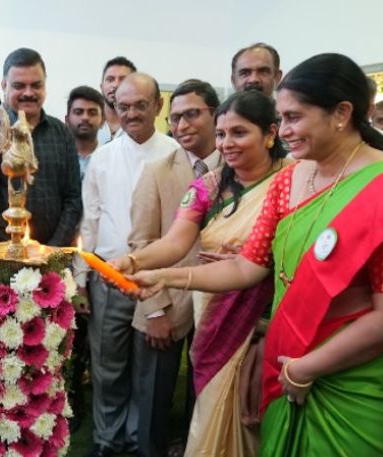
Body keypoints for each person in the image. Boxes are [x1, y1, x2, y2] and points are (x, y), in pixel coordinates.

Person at [126, 53, 383, 457]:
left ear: (342, 113)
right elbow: (245, 266)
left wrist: (309, 368)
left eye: (294, 118)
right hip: (288, 362)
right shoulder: (290, 178)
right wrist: (165, 277)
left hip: (355, 380)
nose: (284, 131)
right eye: (282, 118)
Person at [114, 89, 289, 457]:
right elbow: (175, 243)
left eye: (239, 133)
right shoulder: (207, 186)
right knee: (212, 405)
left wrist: (256, 252)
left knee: (259, 414)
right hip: (214, 311)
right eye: (223, 134)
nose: (227, 144)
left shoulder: (294, 182)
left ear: (270, 133)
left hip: (269, 318)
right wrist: (136, 262)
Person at [79, 72, 180, 457]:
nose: (132, 113)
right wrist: (80, 277)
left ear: (158, 106)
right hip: (107, 276)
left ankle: (140, 442)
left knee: (149, 371)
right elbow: (90, 219)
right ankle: (108, 440)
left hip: (158, 279)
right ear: (114, 109)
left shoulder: (176, 155)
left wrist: (166, 297)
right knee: (107, 368)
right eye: (123, 106)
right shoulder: (103, 157)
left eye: (141, 105)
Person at [126, 79, 224, 457]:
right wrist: (155, 310)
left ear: (215, 115)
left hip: (219, 303)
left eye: (192, 114)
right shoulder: (157, 171)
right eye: (176, 117)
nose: (182, 124)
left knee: (205, 400)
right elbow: (140, 242)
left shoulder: (240, 168)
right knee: (152, 401)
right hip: (163, 302)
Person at [0, 47, 81, 246]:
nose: (28, 93)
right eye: (19, 86)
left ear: (45, 86)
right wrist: (19, 250)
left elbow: (72, 199)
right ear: (5, 86)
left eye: (36, 85)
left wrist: (50, 251)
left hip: (53, 257)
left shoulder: (63, 133)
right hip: (4, 257)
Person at [65, 85, 104, 180]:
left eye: (92, 113)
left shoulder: (112, 158)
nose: (85, 118)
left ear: (103, 121)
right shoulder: (57, 158)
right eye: (78, 112)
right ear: (67, 120)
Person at [98, 56, 136, 144]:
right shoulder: (87, 123)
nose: (115, 85)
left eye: (123, 80)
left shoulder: (140, 128)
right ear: (101, 87)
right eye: (110, 79)